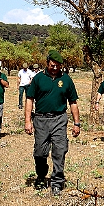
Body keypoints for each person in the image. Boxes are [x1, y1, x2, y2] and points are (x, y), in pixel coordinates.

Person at [24, 50, 80, 195]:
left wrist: (76, 123)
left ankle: (57, 182)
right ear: (47, 63)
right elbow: (29, 99)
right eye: (52, 65)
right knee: (40, 153)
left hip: (59, 119)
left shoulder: (66, 79)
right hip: (41, 119)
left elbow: (73, 102)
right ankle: (41, 175)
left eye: (58, 66)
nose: (55, 68)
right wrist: (28, 121)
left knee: (59, 151)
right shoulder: (38, 79)